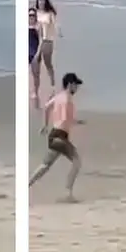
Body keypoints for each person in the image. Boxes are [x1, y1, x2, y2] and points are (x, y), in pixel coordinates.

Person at [29, 72, 84, 203]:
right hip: (61, 136)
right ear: (70, 84)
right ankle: (68, 193)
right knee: (77, 162)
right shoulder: (67, 99)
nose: (77, 88)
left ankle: (27, 184)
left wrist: (45, 125)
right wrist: (76, 122)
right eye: (75, 85)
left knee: (45, 165)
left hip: (53, 134)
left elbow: (47, 107)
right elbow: (65, 119)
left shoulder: (58, 97)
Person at [33, 0, 60, 89]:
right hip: (36, 41)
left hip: (47, 41)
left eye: (43, 0)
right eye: (39, 0)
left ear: (45, 1)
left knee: (48, 63)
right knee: (35, 63)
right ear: (37, 1)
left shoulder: (50, 13)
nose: (41, 2)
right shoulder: (35, 12)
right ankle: (36, 86)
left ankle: (52, 83)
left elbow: (55, 24)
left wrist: (58, 32)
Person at [28, 7, 44, 107]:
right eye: (30, 15)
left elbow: (41, 41)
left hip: (35, 53)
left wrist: (38, 53)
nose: (31, 17)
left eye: (33, 15)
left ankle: (35, 92)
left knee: (36, 75)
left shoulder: (38, 27)